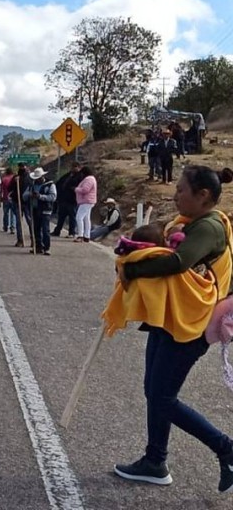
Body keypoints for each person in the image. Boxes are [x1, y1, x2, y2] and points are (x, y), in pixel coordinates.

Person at [106, 166, 233, 492]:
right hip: (171, 317)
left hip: (190, 326)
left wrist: (134, 270)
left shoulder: (209, 227)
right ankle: (155, 461)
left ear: (202, 195)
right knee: (155, 391)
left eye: (180, 190)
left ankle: (226, 448)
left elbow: (179, 262)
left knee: (162, 397)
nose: (175, 195)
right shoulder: (191, 223)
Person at [22, 167, 57, 255]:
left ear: (42, 177)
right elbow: (24, 196)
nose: (37, 180)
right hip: (35, 210)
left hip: (45, 210)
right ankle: (38, 247)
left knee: (45, 230)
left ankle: (46, 248)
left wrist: (40, 196)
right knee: (36, 229)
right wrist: (30, 194)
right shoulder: (32, 185)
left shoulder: (50, 185)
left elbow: (53, 197)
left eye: (38, 178)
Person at [51, 163, 82, 237]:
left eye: (76, 167)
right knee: (61, 216)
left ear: (79, 168)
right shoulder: (67, 175)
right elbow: (60, 183)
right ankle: (57, 231)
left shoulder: (80, 177)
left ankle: (72, 232)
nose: (73, 168)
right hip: (63, 199)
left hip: (72, 200)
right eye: (73, 167)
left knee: (72, 217)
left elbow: (78, 187)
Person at [74, 166, 97, 243]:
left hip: (86, 201)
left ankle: (80, 235)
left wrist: (76, 189)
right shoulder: (92, 178)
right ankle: (87, 236)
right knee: (86, 219)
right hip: (88, 201)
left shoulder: (89, 179)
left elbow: (85, 190)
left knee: (79, 217)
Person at [0, 167, 15, 234]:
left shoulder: (4, 179)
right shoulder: (14, 179)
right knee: (13, 214)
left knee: (6, 213)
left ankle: (5, 226)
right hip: (14, 199)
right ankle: (12, 227)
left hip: (6, 199)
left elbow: (1, 191)